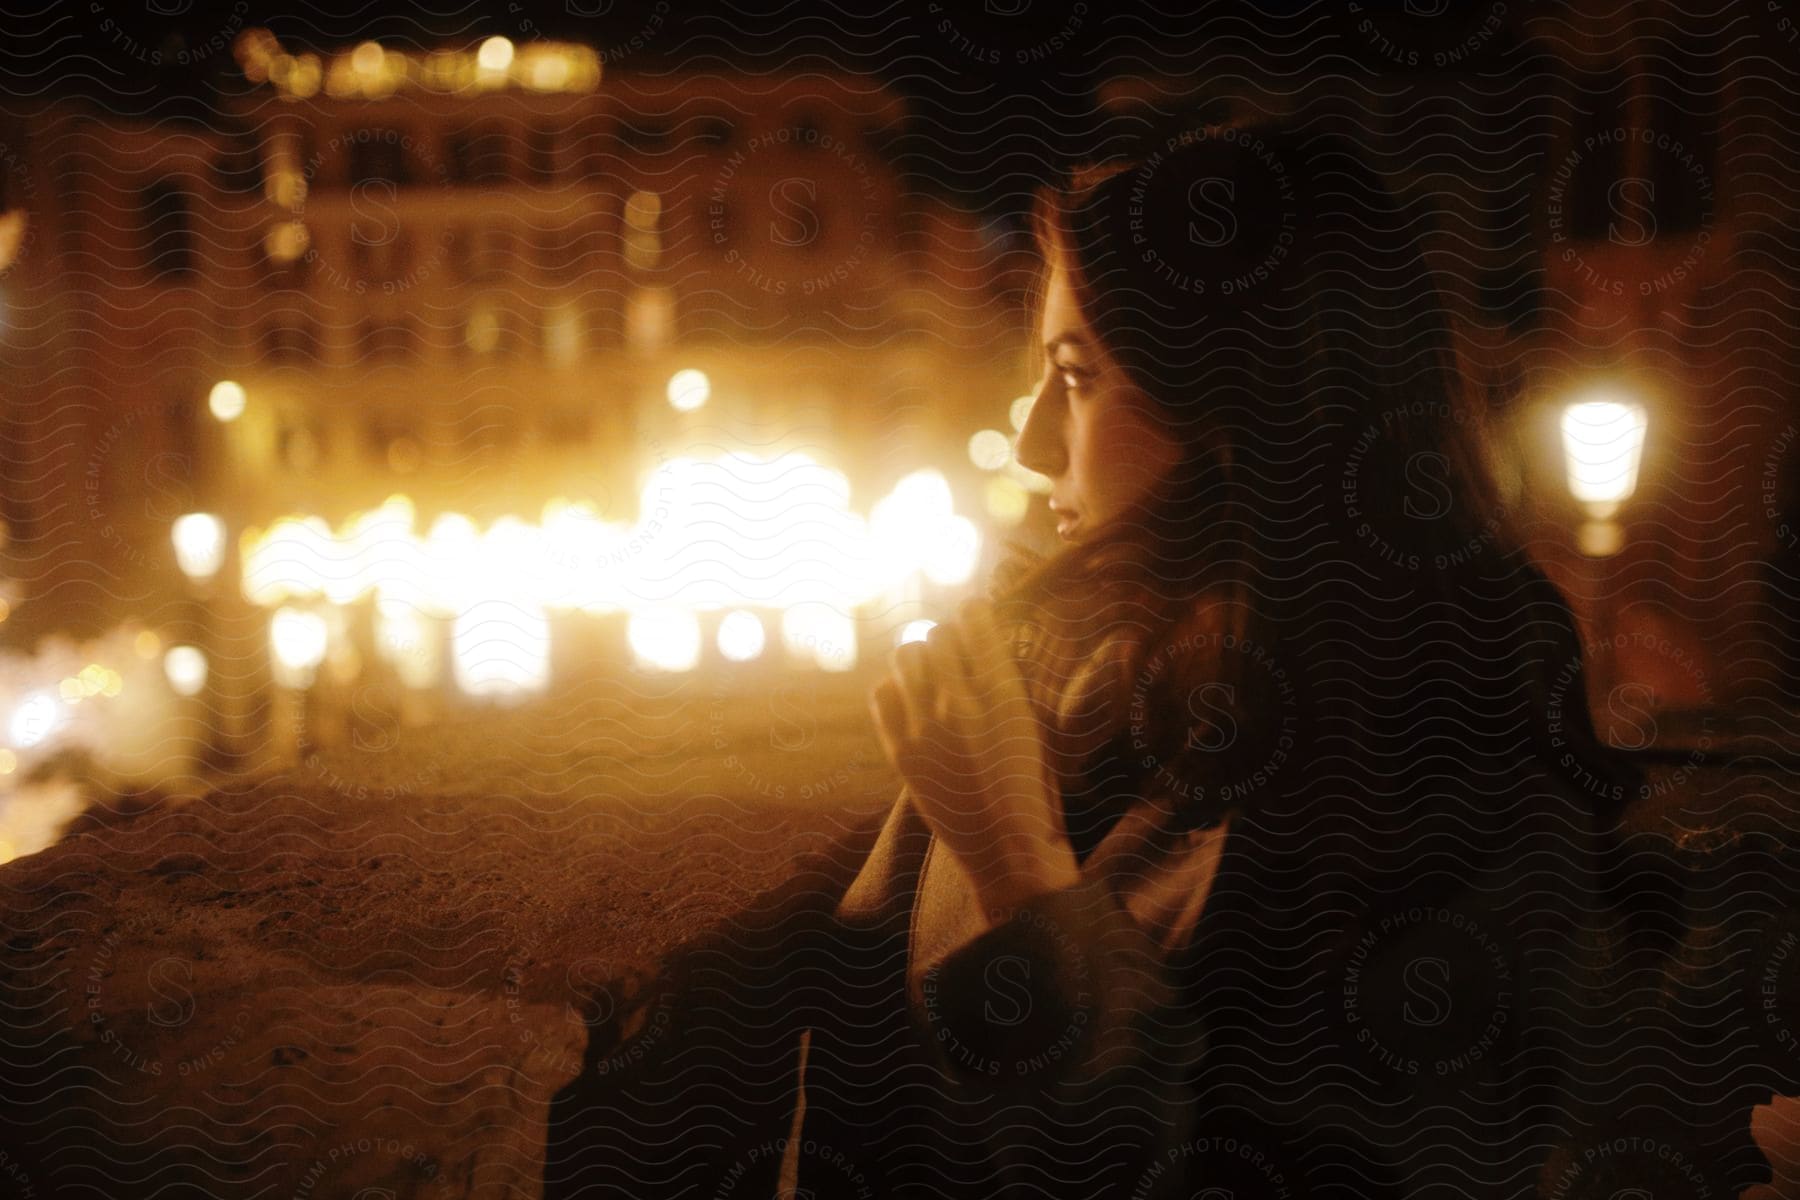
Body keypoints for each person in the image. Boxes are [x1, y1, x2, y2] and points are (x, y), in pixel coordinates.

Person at [543, 112, 1765, 1199]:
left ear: (1241, 404)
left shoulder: (1430, 730)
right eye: (1038, 376)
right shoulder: (1095, 678)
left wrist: (1019, 871)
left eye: (1075, 379)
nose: (1027, 444)